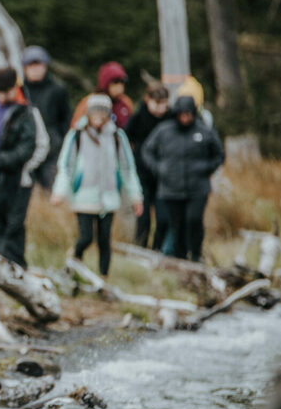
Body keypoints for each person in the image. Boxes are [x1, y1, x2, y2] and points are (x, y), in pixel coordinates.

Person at [52, 94, 144, 278]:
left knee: (104, 240)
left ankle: (103, 278)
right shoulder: (76, 135)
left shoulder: (117, 137)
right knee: (85, 238)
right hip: (84, 197)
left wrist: (136, 197)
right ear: (89, 114)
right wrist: (59, 192)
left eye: (103, 114)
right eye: (95, 114)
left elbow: (127, 168)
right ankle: (72, 268)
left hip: (109, 199)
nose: (99, 118)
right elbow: (66, 167)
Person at [141, 95, 225, 262]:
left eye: (188, 114)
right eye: (182, 114)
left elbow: (219, 155)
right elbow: (147, 151)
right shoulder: (164, 130)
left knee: (194, 221)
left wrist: (206, 168)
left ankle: (195, 255)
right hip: (171, 188)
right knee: (176, 225)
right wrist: (159, 169)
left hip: (198, 187)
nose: (185, 118)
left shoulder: (203, 131)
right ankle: (179, 258)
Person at [0, 67, 38, 267]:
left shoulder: (25, 110)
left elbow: (27, 147)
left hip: (11, 176)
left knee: (12, 224)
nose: (2, 97)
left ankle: (12, 265)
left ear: (15, 88)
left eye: (6, 92)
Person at [124, 82, 171, 248]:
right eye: (156, 103)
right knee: (143, 217)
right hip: (142, 173)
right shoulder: (137, 118)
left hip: (164, 175)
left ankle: (158, 248)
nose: (160, 108)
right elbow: (125, 140)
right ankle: (140, 247)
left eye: (163, 104)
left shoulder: (171, 118)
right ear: (147, 100)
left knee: (163, 217)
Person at [22, 45, 71, 190]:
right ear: (25, 68)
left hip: (52, 149)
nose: (36, 69)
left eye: (39, 65)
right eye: (31, 65)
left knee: (50, 188)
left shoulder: (58, 89)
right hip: (27, 149)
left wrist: (60, 141)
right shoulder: (20, 90)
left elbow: (66, 118)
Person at [72, 61, 134, 128]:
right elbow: (75, 128)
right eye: (115, 82)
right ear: (106, 84)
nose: (119, 87)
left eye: (122, 82)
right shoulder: (90, 102)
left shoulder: (126, 102)